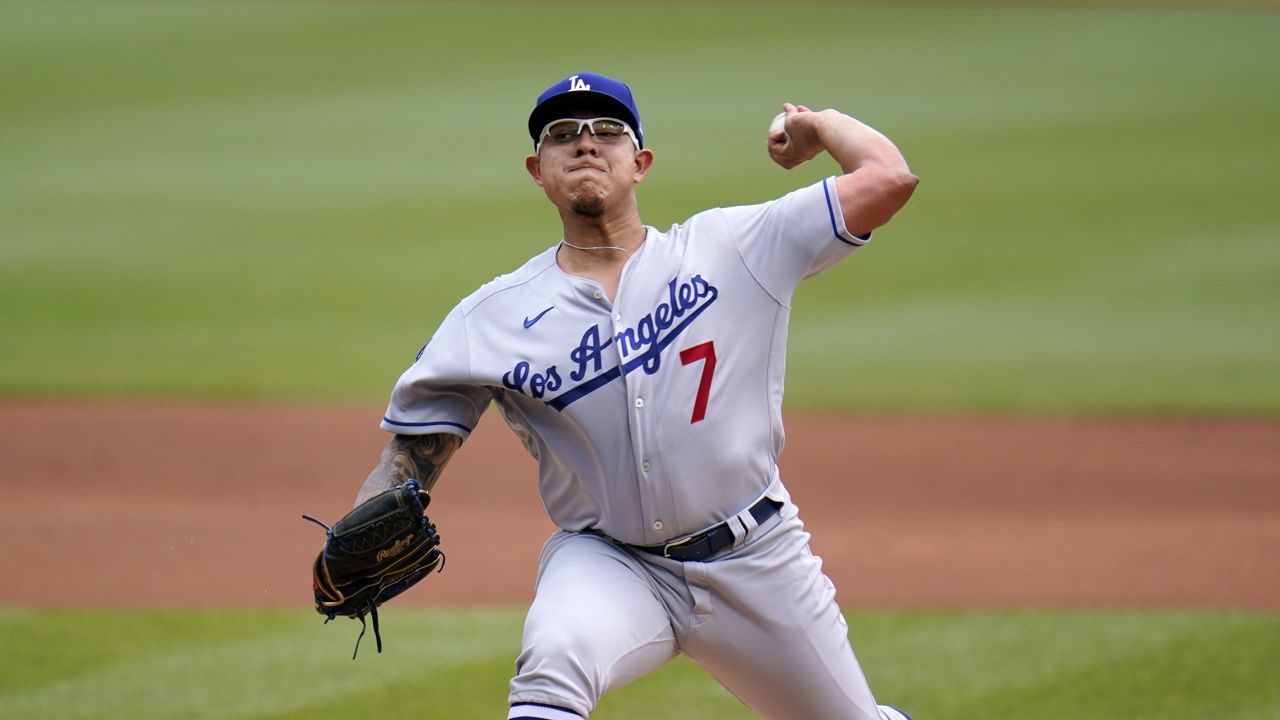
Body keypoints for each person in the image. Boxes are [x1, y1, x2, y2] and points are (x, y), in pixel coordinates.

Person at [358, 71, 919, 720]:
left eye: (607, 132)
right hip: (610, 565)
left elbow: (889, 179)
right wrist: (369, 511)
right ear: (538, 170)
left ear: (640, 162)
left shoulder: (734, 247)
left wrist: (819, 124)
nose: (585, 143)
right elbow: (410, 453)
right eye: (563, 135)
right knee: (551, 668)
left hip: (757, 560)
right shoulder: (492, 318)